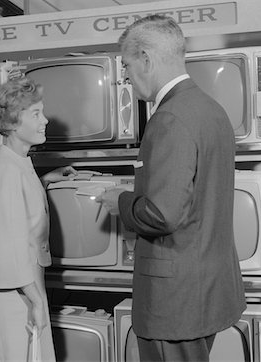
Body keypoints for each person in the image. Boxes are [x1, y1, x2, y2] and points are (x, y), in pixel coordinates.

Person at [100, 15, 246, 361]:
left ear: (146, 59)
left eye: (127, 66)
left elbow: (163, 214)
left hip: (175, 299)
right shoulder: (211, 110)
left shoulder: (169, 118)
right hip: (207, 289)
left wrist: (119, 200)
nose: (126, 79)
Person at [0, 77, 77, 362]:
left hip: (19, 283)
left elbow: (13, 210)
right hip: (13, 287)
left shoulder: (10, 159)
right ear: (12, 122)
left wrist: (42, 183)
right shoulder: (7, 170)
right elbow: (10, 246)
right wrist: (36, 300)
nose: (45, 120)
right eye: (36, 114)